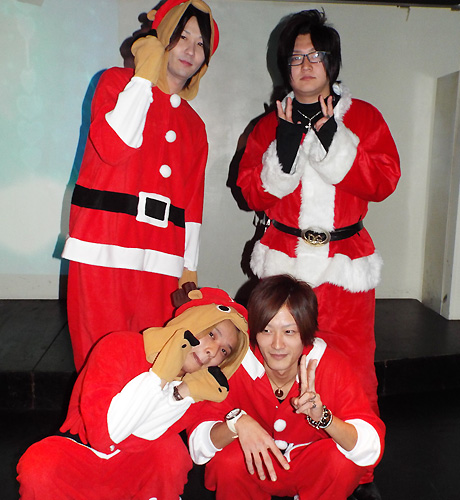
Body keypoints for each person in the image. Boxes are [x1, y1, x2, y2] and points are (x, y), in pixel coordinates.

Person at [236, 10, 400, 497]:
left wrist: (332, 138)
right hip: (282, 262)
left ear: (332, 62)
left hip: (345, 265)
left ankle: (361, 470)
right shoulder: (268, 125)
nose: (306, 65)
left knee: (354, 364)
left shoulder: (364, 117)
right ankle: (281, 451)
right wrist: (285, 148)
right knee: (275, 358)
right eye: (296, 57)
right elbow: (251, 192)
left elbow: (384, 181)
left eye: (315, 55)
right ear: (284, 66)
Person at [61, 0, 219, 371]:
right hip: (103, 245)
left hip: (162, 257)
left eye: (200, 44)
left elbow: (192, 203)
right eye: (182, 37)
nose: (190, 50)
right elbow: (114, 147)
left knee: (150, 364)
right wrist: (144, 77)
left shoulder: (195, 127)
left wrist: (189, 268)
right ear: (160, 37)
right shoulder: (117, 84)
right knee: (98, 362)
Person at [17, 285, 249, 500]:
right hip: (82, 452)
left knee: (171, 454)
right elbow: (103, 437)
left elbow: (192, 448)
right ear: (193, 320)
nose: (212, 351)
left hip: (132, 463)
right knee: (39, 464)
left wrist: (185, 393)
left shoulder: (199, 387)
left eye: (224, 351)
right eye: (212, 334)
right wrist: (160, 376)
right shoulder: (119, 346)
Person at [187, 274, 385, 500]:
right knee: (227, 461)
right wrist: (236, 423)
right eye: (266, 330)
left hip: (310, 468)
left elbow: (369, 449)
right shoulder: (235, 365)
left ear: (306, 334)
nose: (277, 344)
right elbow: (199, 445)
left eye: (289, 331)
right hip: (254, 467)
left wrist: (324, 419)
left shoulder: (330, 366)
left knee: (342, 460)